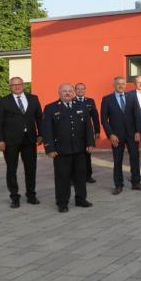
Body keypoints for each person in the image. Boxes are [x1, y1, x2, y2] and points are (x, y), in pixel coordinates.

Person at [41, 83, 95, 213]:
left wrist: (90, 143)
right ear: (59, 93)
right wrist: (49, 148)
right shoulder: (51, 108)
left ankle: (81, 199)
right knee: (62, 177)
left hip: (80, 149)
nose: (68, 93)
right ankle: (62, 203)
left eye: (70, 91)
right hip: (61, 150)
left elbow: (88, 127)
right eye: (64, 91)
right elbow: (47, 130)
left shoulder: (81, 106)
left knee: (81, 176)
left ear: (73, 92)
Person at [0, 77, 43, 208]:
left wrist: (41, 134)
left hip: (29, 139)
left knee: (31, 169)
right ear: (10, 87)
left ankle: (31, 195)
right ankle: (14, 197)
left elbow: (39, 118)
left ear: (23, 85)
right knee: (11, 169)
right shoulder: (3, 101)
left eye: (19, 84)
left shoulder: (33, 98)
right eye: (14, 85)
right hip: (10, 141)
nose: (17, 87)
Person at [100, 76, 141, 194]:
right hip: (116, 135)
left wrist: (138, 131)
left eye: (123, 83)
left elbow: (137, 116)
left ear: (126, 85)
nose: (121, 85)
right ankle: (118, 185)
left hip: (132, 134)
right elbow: (104, 120)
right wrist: (110, 134)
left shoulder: (132, 97)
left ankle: (136, 182)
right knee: (117, 160)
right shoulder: (107, 99)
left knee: (135, 158)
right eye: (118, 84)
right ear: (114, 85)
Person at [74, 82, 101, 183]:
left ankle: (88, 176)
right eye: (78, 89)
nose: (80, 91)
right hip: (75, 133)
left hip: (87, 133)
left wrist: (97, 131)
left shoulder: (90, 101)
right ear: (75, 90)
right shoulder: (71, 101)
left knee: (87, 155)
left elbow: (95, 117)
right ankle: (74, 177)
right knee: (75, 155)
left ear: (85, 90)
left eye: (82, 89)